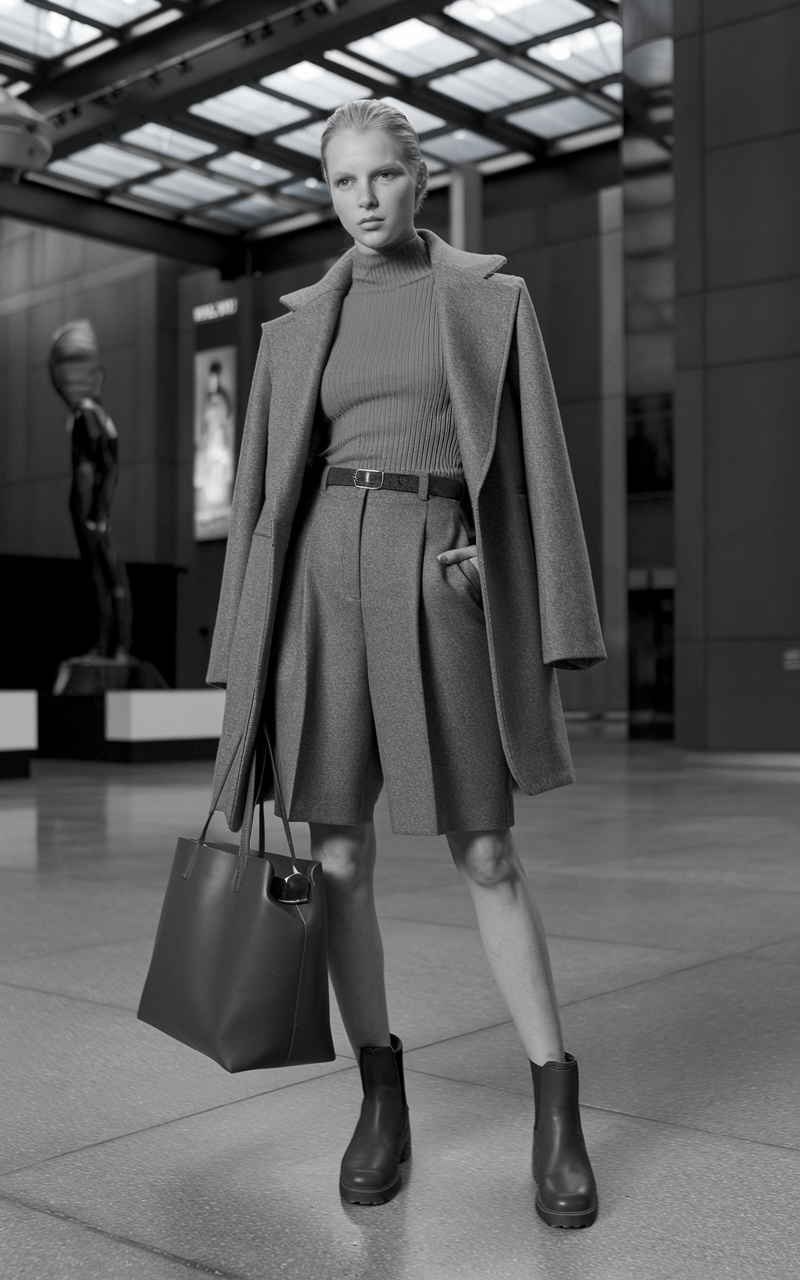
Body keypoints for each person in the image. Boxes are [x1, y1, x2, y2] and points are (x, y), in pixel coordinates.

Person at [207, 100, 606, 1228]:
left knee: (484, 848)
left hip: (439, 579)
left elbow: (536, 466)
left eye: (383, 177)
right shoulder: (296, 326)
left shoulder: (488, 297)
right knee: (335, 853)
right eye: (343, 182)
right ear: (325, 192)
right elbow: (259, 501)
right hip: (322, 585)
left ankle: (554, 1103)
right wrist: (244, 638)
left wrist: (509, 572)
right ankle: (379, 1096)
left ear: (420, 182)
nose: (365, 199)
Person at [50, 319, 133, 659]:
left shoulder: (88, 414)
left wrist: (96, 510)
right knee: (106, 576)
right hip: (91, 507)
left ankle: (111, 647)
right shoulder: (97, 414)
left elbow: (107, 466)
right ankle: (113, 647)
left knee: (102, 578)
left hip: (89, 508)